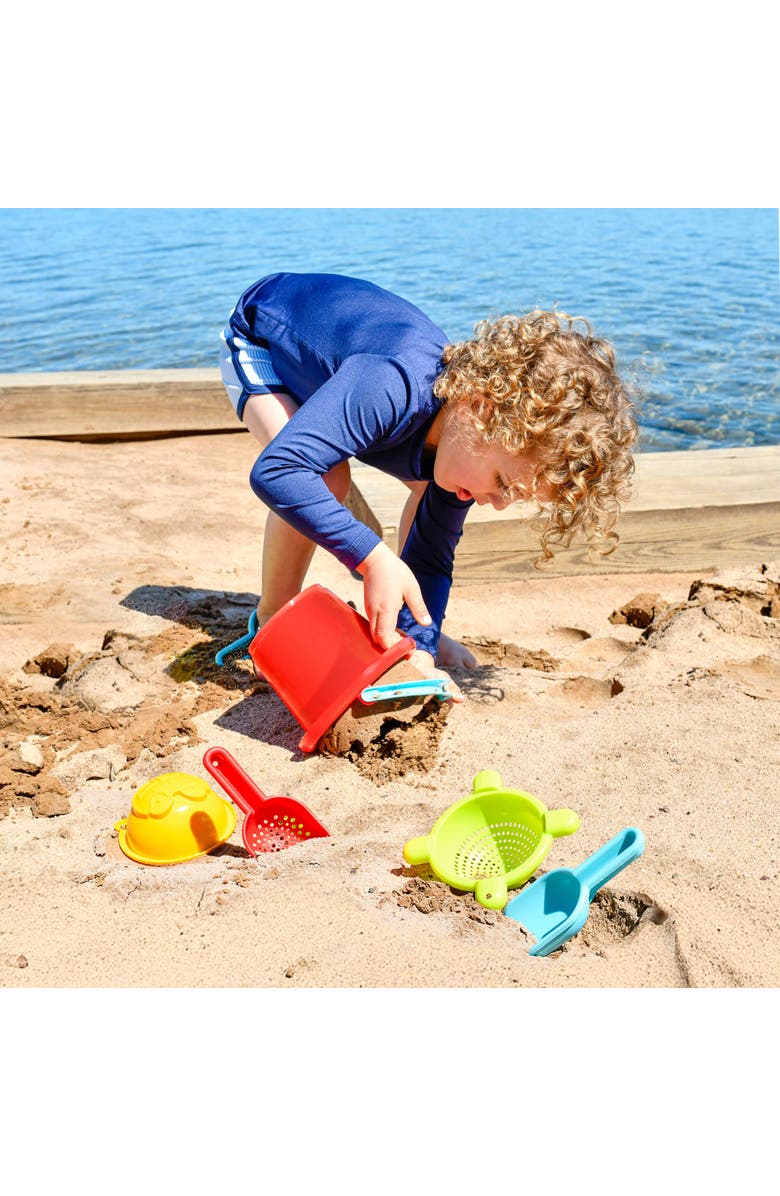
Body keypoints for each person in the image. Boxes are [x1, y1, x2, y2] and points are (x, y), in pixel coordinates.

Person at [220, 271, 638, 701]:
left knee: (427, 495)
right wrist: (373, 559)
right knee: (327, 476)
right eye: (501, 482)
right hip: (266, 338)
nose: (495, 503)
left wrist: (419, 647)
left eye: (512, 496)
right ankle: (270, 617)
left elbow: (433, 556)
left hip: (343, 376)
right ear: (480, 407)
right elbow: (278, 470)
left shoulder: (467, 446)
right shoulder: (393, 384)